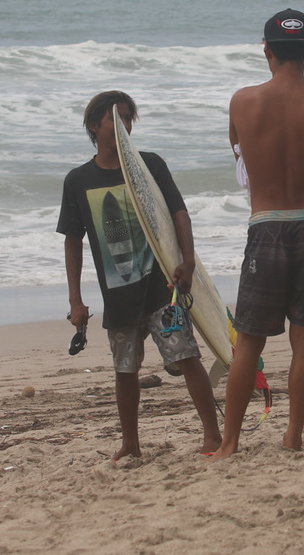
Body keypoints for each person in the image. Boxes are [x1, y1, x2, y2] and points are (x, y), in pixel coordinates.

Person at [208, 9, 304, 461]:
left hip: (266, 225)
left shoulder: (242, 102)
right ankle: (293, 436)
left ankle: (230, 442)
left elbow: (243, 167)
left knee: (249, 340)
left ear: (267, 50)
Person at [57, 91, 221, 459]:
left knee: (186, 356)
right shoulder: (78, 180)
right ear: (94, 126)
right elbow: (72, 240)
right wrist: (75, 299)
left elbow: (178, 213)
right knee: (125, 368)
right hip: (118, 294)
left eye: (129, 118)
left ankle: (213, 435)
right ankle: (130, 445)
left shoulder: (150, 166)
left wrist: (188, 261)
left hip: (163, 287)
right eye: (117, 119)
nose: (125, 126)